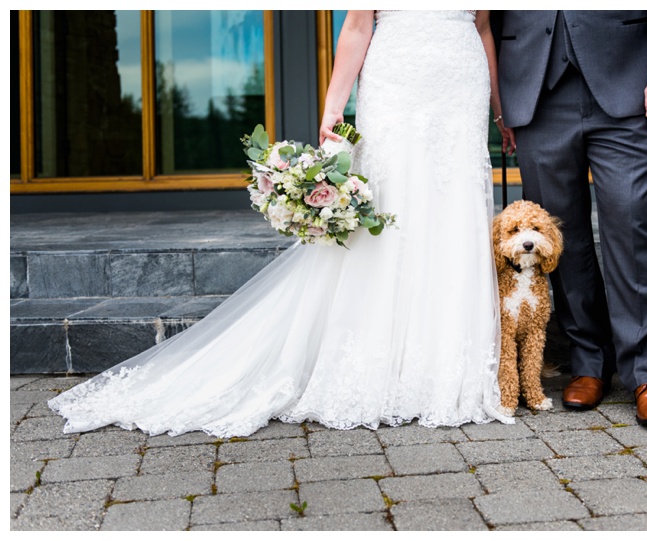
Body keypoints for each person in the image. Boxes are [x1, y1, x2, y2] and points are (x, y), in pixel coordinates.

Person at [48, 10, 515, 437]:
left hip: (461, 86)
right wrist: (335, 104)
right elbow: (356, 26)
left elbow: (483, 28)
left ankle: (445, 365)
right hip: (397, 79)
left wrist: (500, 108)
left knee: (452, 207)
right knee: (392, 207)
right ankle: (380, 359)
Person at [495, 11, 647, 426]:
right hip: (535, 89)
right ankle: (589, 362)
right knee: (558, 238)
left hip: (629, 82)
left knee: (632, 223)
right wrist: (500, 101)